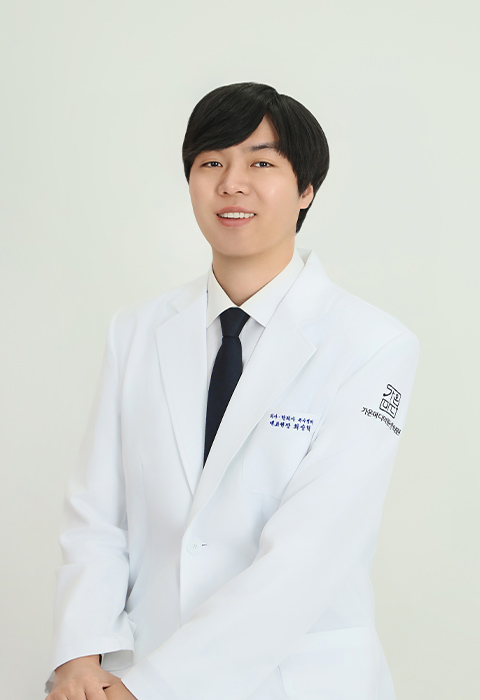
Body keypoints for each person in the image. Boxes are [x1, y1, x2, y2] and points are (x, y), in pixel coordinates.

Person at [46, 82, 419, 700]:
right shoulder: (135, 331)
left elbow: (310, 555)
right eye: (211, 163)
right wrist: (80, 659)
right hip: (136, 666)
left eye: (261, 163)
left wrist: (152, 689)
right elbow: (97, 516)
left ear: (306, 188)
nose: (232, 184)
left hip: (294, 681)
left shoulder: (372, 345)